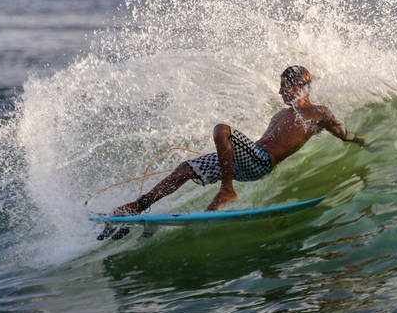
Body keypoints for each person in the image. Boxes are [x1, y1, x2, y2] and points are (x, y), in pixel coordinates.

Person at [109, 65, 365, 223]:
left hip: (261, 163)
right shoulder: (280, 115)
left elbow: (343, 134)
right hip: (246, 159)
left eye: (283, 86)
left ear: (298, 86)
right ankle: (140, 204)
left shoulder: (319, 113)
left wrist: (363, 143)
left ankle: (226, 190)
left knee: (222, 129)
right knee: (185, 168)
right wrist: (229, 154)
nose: (279, 92)